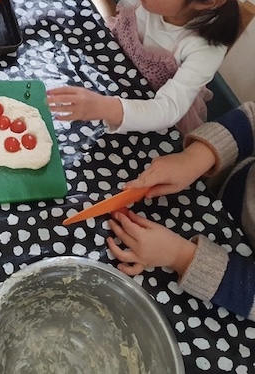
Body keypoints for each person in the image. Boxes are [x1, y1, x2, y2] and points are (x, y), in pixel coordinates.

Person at [0, 0, 254, 135]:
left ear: (207, 1)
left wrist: (106, 108)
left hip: (143, 116)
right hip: (106, 75)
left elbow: (167, 109)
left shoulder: (204, 47)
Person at [106, 102, 255, 320]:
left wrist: (179, 256)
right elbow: (251, 121)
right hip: (221, 204)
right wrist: (193, 159)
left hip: (230, 289)